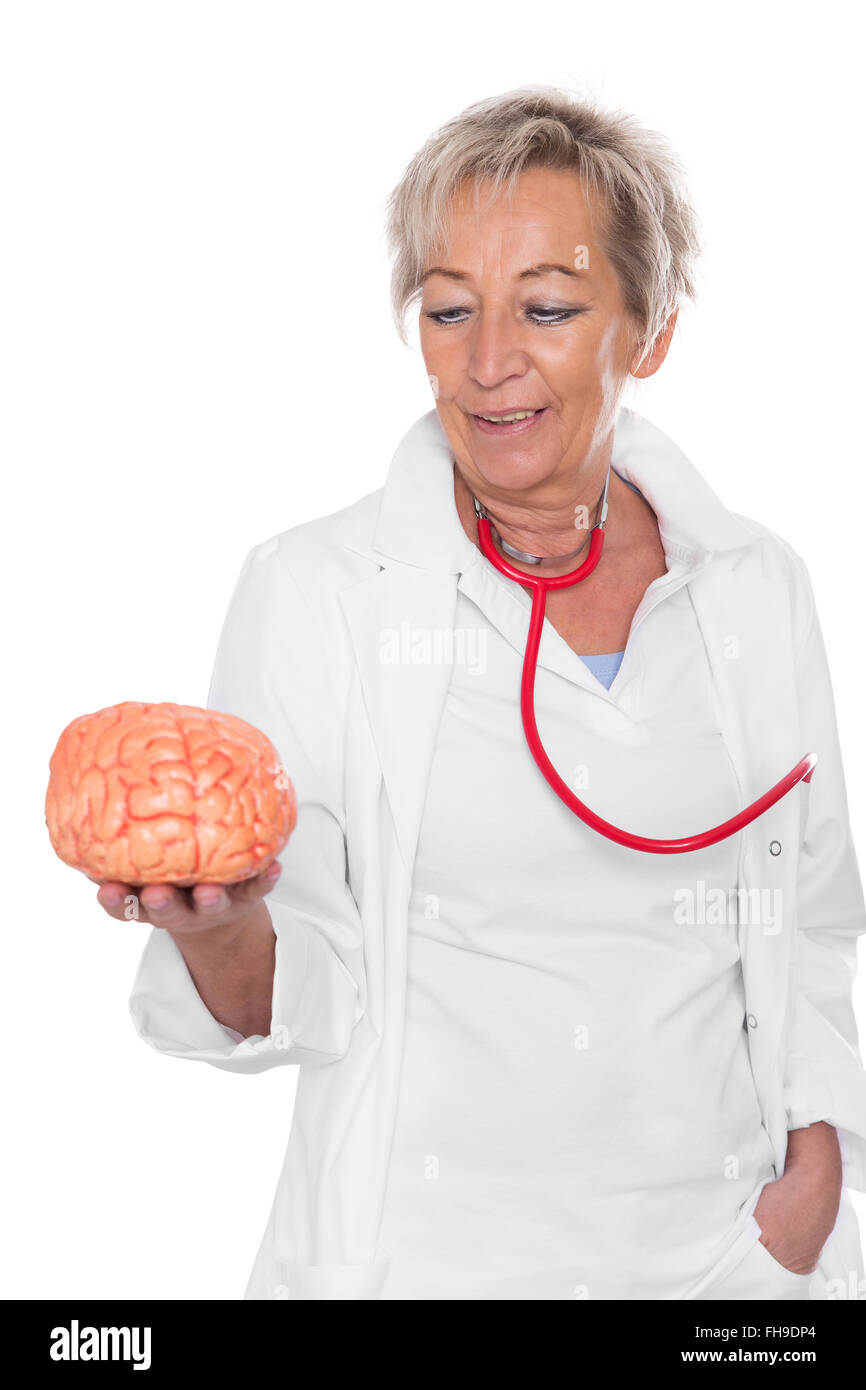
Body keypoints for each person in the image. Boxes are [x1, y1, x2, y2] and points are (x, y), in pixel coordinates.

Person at [97, 86, 866, 1301]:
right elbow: (288, 991)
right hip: (427, 1270)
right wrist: (219, 926)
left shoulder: (754, 585)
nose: (487, 361)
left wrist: (815, 1158)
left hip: (730, 1274)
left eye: (547, 308)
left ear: (649, 328)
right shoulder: (317, 593)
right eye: (447, 309)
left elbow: (809, 916)